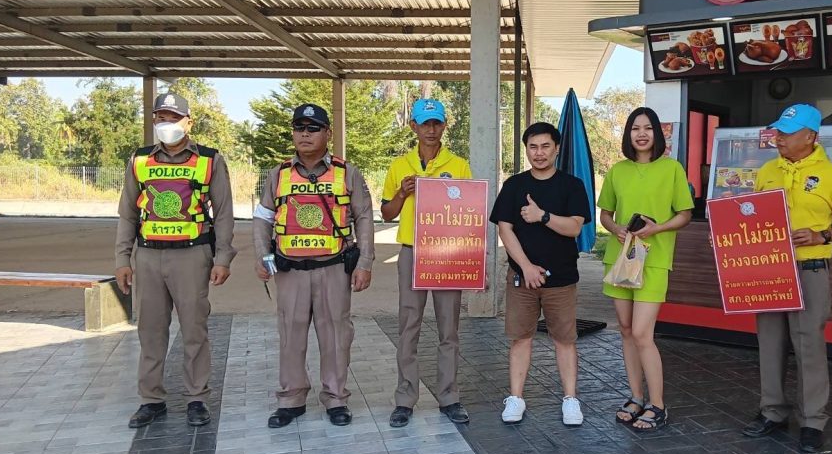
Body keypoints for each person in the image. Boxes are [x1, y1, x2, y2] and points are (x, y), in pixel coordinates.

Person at [741, 103, 832, 453]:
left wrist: (822, 235)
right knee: (770, 342)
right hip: (770, 268)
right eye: (777, 131)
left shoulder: (831, 175)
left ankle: (812, 421)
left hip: (809, 270)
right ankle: (772, 412)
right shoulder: (767, 171)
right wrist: (728, 237)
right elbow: (752, 217)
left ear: (810, 136)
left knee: (809, 345)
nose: (778, 138)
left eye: (787, 133)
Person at [116, 91, 235, 429]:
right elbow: (127, 214)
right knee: (150, 330)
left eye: (173, 117)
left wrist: (223, 257)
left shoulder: (209, 160)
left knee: (194, 329)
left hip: (192, 255)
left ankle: (197, 397)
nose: (166, 123)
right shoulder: (140, 160)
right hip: (149, 255)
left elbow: (223, 213)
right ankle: (151, 399)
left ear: (188, 122)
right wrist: (122, 258)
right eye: (161, 117)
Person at [253, 103, 374, 429]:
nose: (304, 134)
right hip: (289, 270)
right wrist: (263, 256)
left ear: (327, 133)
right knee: (290, 335)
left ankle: (335, 399)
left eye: (313, 128)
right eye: (299, 128)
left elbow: (364, 218)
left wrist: (365, 262)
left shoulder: (346, 172)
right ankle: (291, 400)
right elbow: (263, 218)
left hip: (333, 268)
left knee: (336, 335)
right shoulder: (279, 174)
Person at [489, 122, 591, 426]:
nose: (539, 152)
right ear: (526, 150)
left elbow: (574, 227)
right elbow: (504, 229)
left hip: (562, 278)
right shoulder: (514, 185)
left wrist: (542, 216)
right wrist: (526, 267)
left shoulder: (572, 185)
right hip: (522, 278)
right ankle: (516, 397)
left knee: (565, 339)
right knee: (520, 338)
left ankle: (570, 399)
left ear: (556, 148)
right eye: (533, 147)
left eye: (546, 146)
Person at [598, 107, 693, 432]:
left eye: (648, 128)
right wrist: (615, 228)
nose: (641, 134)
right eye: (635, 128)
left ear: (657, 133)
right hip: (620, 259)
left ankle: (658, 405)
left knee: (641, 333)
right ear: (628, 134)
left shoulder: (672, 168)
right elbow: (605, 214)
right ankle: (636, 397)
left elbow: (685, 214)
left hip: (654, 260)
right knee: (626, 330)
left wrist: (657, 228)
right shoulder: (618, 170)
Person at [381, 98, 472, 428]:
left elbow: (470, 212)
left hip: (447, 252)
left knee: (449, 328)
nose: (431, 129)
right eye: (425, 123)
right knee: (409, 325)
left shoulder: (459, 165)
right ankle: (405, 399)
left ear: (444, 125)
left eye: (436, 123)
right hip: (411, 251)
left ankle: (449, 396)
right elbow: (386, 213)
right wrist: (402, 194)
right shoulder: (399, 166)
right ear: (414, 127)